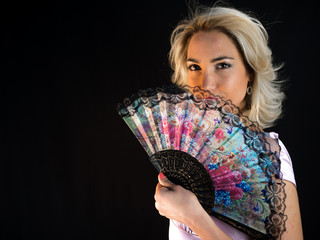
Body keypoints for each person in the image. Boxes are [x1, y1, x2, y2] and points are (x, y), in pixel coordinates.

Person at [153, 5, 303, 240]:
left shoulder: (268, 157)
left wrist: (194, 218)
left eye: (222, 65)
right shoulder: (185, 152)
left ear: (250, 72)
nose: (206, 83)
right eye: (195, 67)